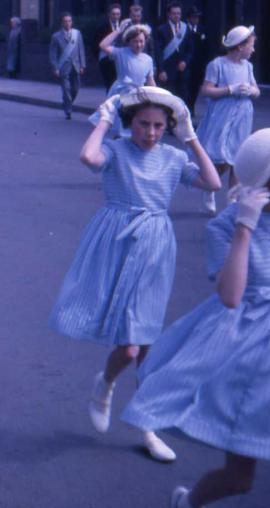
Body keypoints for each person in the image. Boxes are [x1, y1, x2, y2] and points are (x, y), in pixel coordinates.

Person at [122, 121, 270, 508]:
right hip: (252, 363)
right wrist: (245, 227)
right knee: (240, 477)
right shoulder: (226, 227)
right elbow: (231, 296)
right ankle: (188, 504)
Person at [49, 86, 220, 463]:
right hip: (117, 243)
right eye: (144, 124)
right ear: (131, 123)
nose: (152, 133)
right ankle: (106, 384)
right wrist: (106, 116)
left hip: (156, 248)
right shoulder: (118, 149)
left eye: (160, 126)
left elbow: (213, 182)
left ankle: (147, 426)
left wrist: (190, 137)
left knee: (146, 345)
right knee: (130, 345)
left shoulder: (173, 158)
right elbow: (87, 156)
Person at [196, 25, 261, 214]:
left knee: (237, 158)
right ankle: (210, 187)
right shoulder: (217, 64)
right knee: (223, 158)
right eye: (251, 45)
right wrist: (229, 89)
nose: (253, 50)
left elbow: (257, 90)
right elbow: (206, 90)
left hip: (243, 115)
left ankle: (232, 199)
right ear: (240, 46)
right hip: (222, 114)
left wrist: (252, 91)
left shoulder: (248, 66)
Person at [93, 20, 156, 136]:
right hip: (120, 94)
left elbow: (151, 81)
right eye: (135, 41)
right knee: (118, 125)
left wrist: (157, 97)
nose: (138, 45)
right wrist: (118, 31)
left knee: (134, 126)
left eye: (141, 41)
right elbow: (103, 45)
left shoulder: (148, 59)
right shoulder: (121, 53)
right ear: (129, 42)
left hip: (138, 95)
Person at [49, 13, 86, 120]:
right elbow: (53, 54)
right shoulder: (56, 36)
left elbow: (81, 50)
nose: (67, 23)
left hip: (76, 66)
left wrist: (82, 65)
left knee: (76, 88)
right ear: (62, 23)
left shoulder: (77, 34)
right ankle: (68, 111)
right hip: (63, 66)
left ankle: (66, 102)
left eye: (69, 21)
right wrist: (55, 67)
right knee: (66, 89)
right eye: (65, 21)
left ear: (72, 22)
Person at [153, 1, 192, 102]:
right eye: (174, 13)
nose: (177, 16)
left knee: (183, 98)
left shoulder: (186, 28)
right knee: (168, 99)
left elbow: (190, 49)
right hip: (167, 70)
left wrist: (185, 61)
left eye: (178, 13)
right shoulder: (161, 30)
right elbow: (158, 52)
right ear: (169, 14)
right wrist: (161, 70)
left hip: (182, 70)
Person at [184, 7, 210, 116]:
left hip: (198, 64)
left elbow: (205, 47)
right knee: (186, 87)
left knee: (195, 87)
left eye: (197, 17)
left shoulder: (202, 29)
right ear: (189, 18)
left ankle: (191, 105)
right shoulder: (184, 29)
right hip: (187, 63)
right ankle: (187, 108)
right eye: (194, 17)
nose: (196, 19)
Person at [97, 4, 123, 93]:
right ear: (109, 14)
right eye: (113, 14)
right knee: (110, 84)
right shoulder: (102, 27)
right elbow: (96, 44)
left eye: (118, 14)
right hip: (106, 59)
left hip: (120, 59)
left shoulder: (123, 27)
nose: (116, 16)